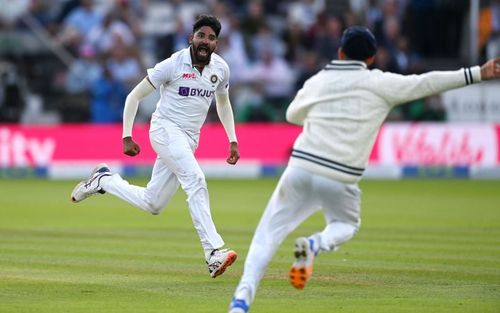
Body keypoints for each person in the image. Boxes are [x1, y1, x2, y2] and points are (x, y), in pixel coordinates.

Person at [228, 26, 500, 313]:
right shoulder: (380, 83)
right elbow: (425, 82)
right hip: (341, 176)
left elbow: (291, 114)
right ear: (371, 58)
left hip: (301, 166)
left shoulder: (319, 80)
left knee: (266, 236)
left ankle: (241, 302)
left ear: (340, 53)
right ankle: (314, 243)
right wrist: (477, 73)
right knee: (345, 225)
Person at [71, 15, 240, 279]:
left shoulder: (221, 69)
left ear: (216, 43)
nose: (205, 41)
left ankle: (104, 181)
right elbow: (134, 96)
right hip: (164, 130)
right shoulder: (172, 64)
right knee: (195, 179)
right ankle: (213, 252)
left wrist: (232, 139)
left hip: (189, 139)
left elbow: (224, 104)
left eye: (211, 37)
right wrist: (126, 136)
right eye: (201, 36)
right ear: (191, 38)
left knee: (153, 203)